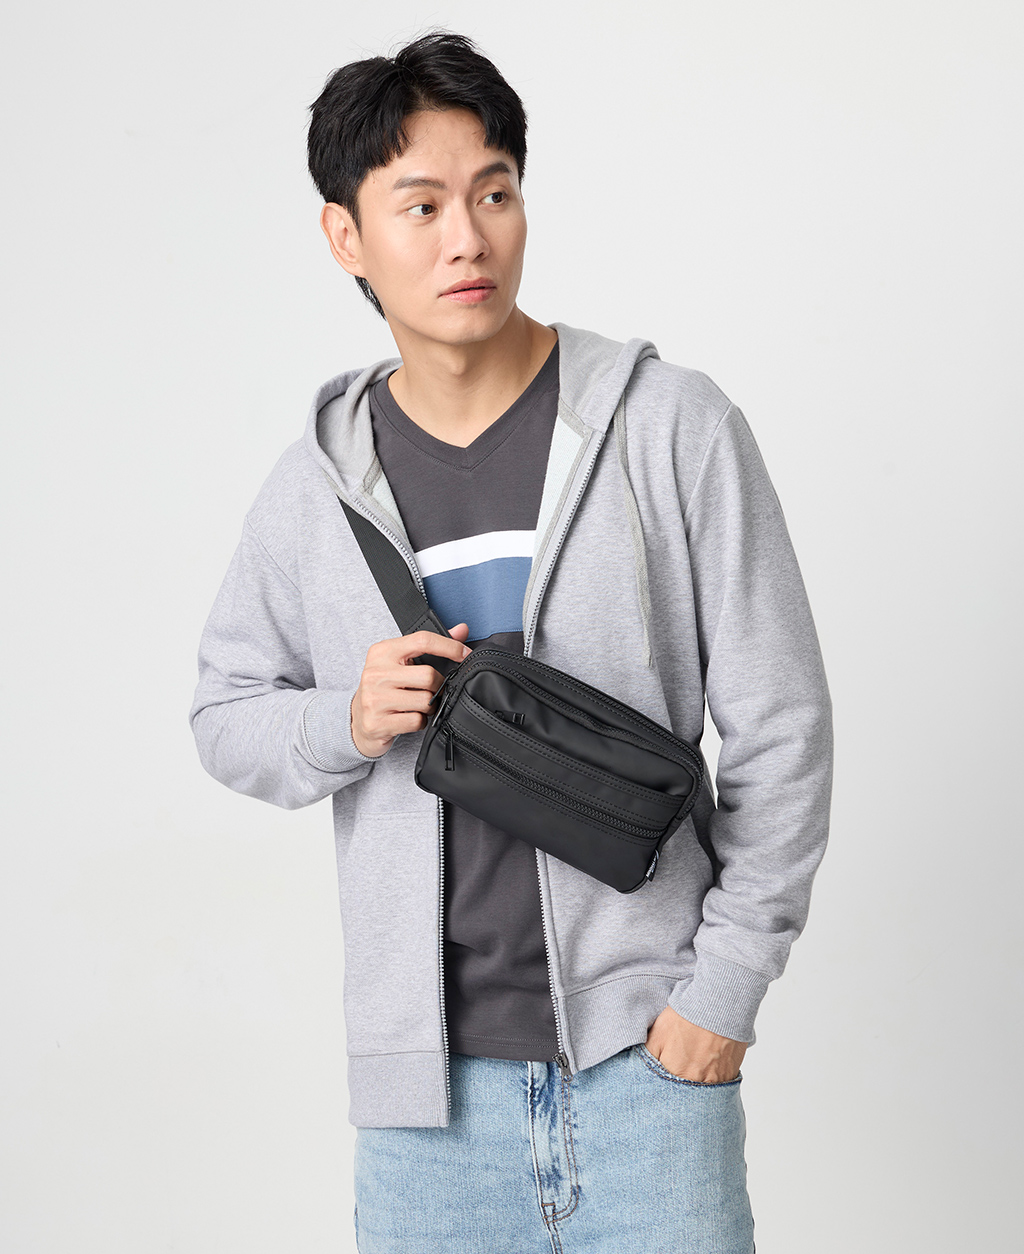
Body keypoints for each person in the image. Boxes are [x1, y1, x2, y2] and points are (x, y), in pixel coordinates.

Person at [189, 28, 833, 1254]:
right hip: (426, 1115)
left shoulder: (668, 428)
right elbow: (223, 716)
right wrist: (343, 719)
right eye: (420, 205)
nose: (466, 238)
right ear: (346, 236)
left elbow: (782, 723)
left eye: (493, 193)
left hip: (648, 1069)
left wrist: (721, 997)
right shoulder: (315, 488)